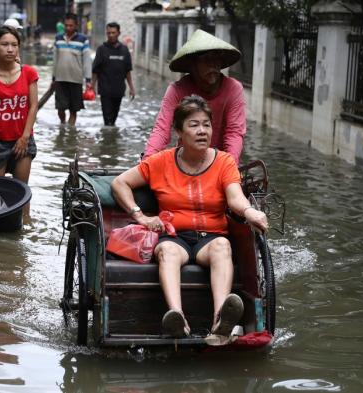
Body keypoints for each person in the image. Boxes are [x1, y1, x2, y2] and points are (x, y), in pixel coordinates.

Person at [111, 95, 268, 344]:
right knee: (167, 252)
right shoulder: (161, 161)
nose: (202, 131)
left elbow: (235, 198)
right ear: (179, 132)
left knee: (222, 247)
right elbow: (120, 183)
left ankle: (220, 323)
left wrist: (250, 212)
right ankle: (177, 317)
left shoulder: (224, 162)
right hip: (174, 236)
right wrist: (140, 216)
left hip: (212, 237)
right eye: (194, 125)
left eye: (206, 124)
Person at [143, 29, 246, 163]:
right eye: (207, 59)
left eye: (217, 59)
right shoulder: (177, 90)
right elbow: (162, 130)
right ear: (193, 64)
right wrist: (147, 162)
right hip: (186, 160)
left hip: (220, 162)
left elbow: (234, 133)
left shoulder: (233, 89)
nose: (214, 65)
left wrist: (230, 166)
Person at [0, 25, 38, 216]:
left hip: (23, 139)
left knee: (22, 190)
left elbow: (33, 106)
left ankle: (23, 229)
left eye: (14, 45)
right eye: (5, 44)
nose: (10, 49)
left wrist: (25, 137)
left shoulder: (29, 73)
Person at [91, 22, 135, 126]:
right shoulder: (101, 49)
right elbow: (95, 70)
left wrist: (131, 88)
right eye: (109, 33)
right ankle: (108, 140)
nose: (111, 35)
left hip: (119, 90)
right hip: (105, 90)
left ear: (118, 33)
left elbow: (128, 70)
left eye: (113, 33)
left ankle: (111, 137)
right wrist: (92, 87)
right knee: (107, 120)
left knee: (114, 118)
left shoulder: (124, 50)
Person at [52, 13, 92, 126]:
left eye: (71, 25)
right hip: (60, 79)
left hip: (76, 80)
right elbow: (55, 59)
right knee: (60, 108)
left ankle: (70, 131)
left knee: (73, 110)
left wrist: (88, 80)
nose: (68, 28)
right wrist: (53, 78)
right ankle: (63, 125)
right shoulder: (58, 39)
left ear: (76, 25)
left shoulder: (83, 40)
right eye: (66, 25)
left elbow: (87, 61)